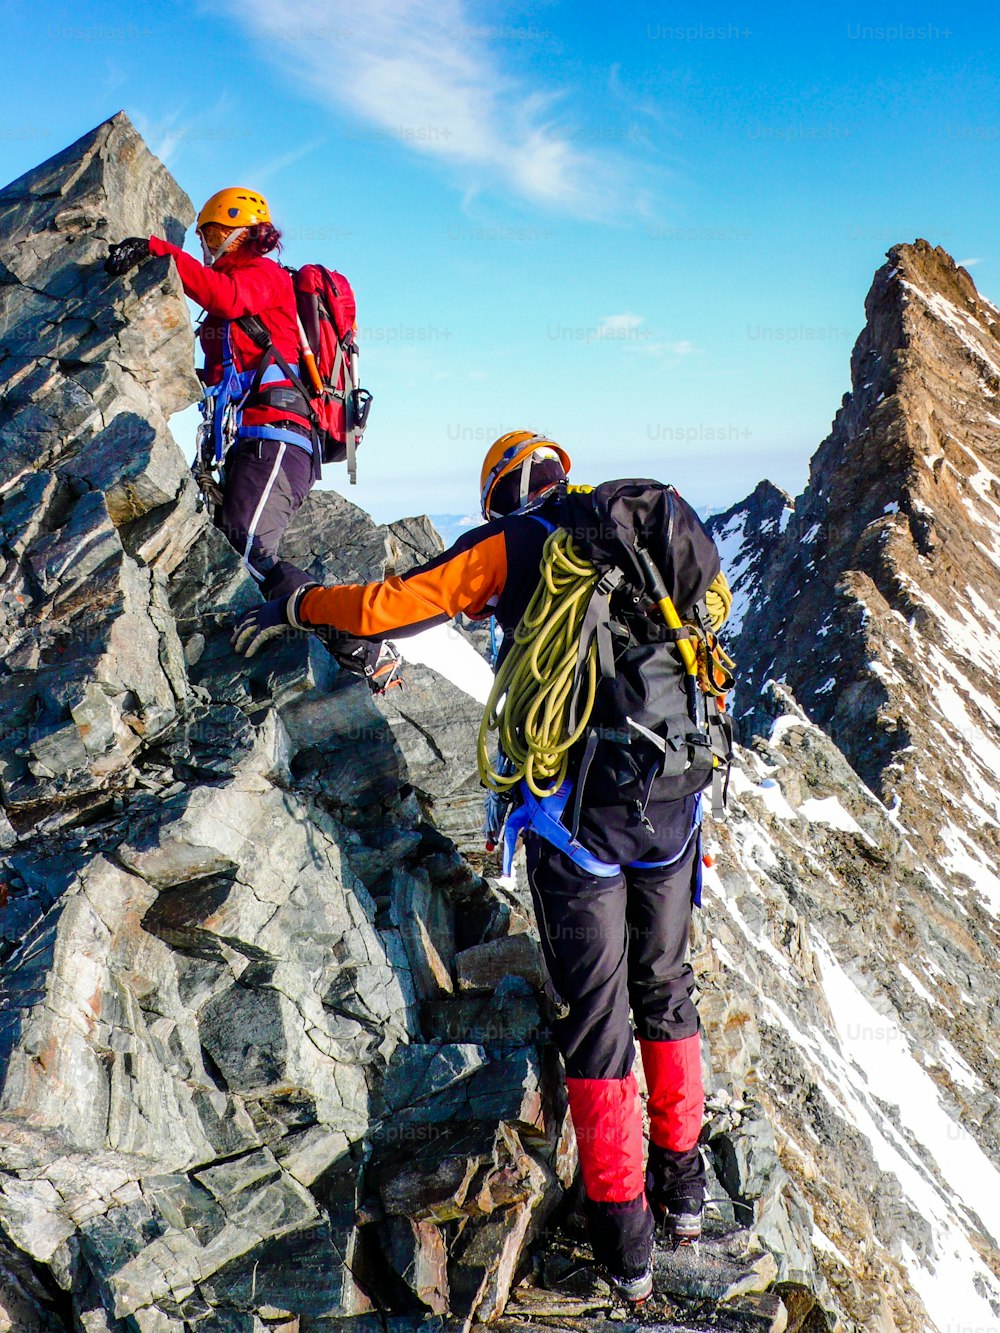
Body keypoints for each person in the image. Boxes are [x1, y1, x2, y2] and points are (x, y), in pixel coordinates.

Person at [231, 430, 725, 1302]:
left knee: (598, 1011)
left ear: (498, 494)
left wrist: (304, 606)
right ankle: (685, 1198)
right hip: (674, 792)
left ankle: (627, 1243)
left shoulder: (515, 544)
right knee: (667, 983)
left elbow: (389, 604)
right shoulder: (625, 538)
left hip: (585, 821)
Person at [105, 188, 317, 600]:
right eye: (208, 234)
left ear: (246, 234)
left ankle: (339, 633)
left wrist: (157, 250)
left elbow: (228, 296)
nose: (209, 244)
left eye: (219, 233)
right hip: (250, 439)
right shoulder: (233, 289)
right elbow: (220, 375)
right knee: (229, 544)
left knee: (249, 549)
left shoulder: (264, 275)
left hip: (278, 435)